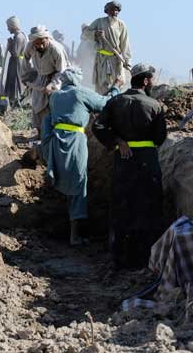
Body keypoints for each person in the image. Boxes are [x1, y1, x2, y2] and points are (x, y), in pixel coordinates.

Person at [92, 63, 167, 269]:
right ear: (145, 81)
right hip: (147, 163)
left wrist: (118, 141)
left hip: (123, 162)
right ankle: (145, 260)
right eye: (151, 79)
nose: (152, 82)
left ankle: (119, 258)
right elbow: (160, 138)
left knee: (122, 206)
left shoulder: (115, 101)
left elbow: (97, 126)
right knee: (148, 208)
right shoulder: (155, 105)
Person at [40, 67, 121, 245]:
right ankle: (75, 236)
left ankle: (64, 225)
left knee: (65, 180)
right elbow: (106, 103)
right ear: (77, 80)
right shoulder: (81, 93)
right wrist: (115, 87)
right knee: (78, 183)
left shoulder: (55, 96)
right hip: (74, 142)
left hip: (56, 141)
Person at [23, 25, 69, 135]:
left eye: (42, 42)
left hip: (57, 77)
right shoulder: (30, 46)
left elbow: (61, 71)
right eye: (37, 44)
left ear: (47, 38)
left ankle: (53, 134)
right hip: (40, 77)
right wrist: (26, 76)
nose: (41, 46)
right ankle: (40, 133)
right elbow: (25, 59)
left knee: (52, 106)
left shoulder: (56, 49)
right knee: (37, 105)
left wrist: (52, 85)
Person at [83, 1, 131, 94]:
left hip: (116, 59)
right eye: (113, 10)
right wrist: (96, 34)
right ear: (107, 11)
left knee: (117, 83)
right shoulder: (99, 22)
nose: (115, 12)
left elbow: (125, 44)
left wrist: (127, 61)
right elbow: (85, 32)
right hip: (103, 60)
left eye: (117, 10)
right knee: (103, 84)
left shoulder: (121, 25)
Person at [5, 16, 27, 106]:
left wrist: (10, 45)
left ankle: (15, 102)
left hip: (17, 63)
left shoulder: (19, 37)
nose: (7, 28)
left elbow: (15, 53)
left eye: (8, 26)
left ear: (13, 26)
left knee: (15, 82)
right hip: (17, 62)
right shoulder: (20, 36)